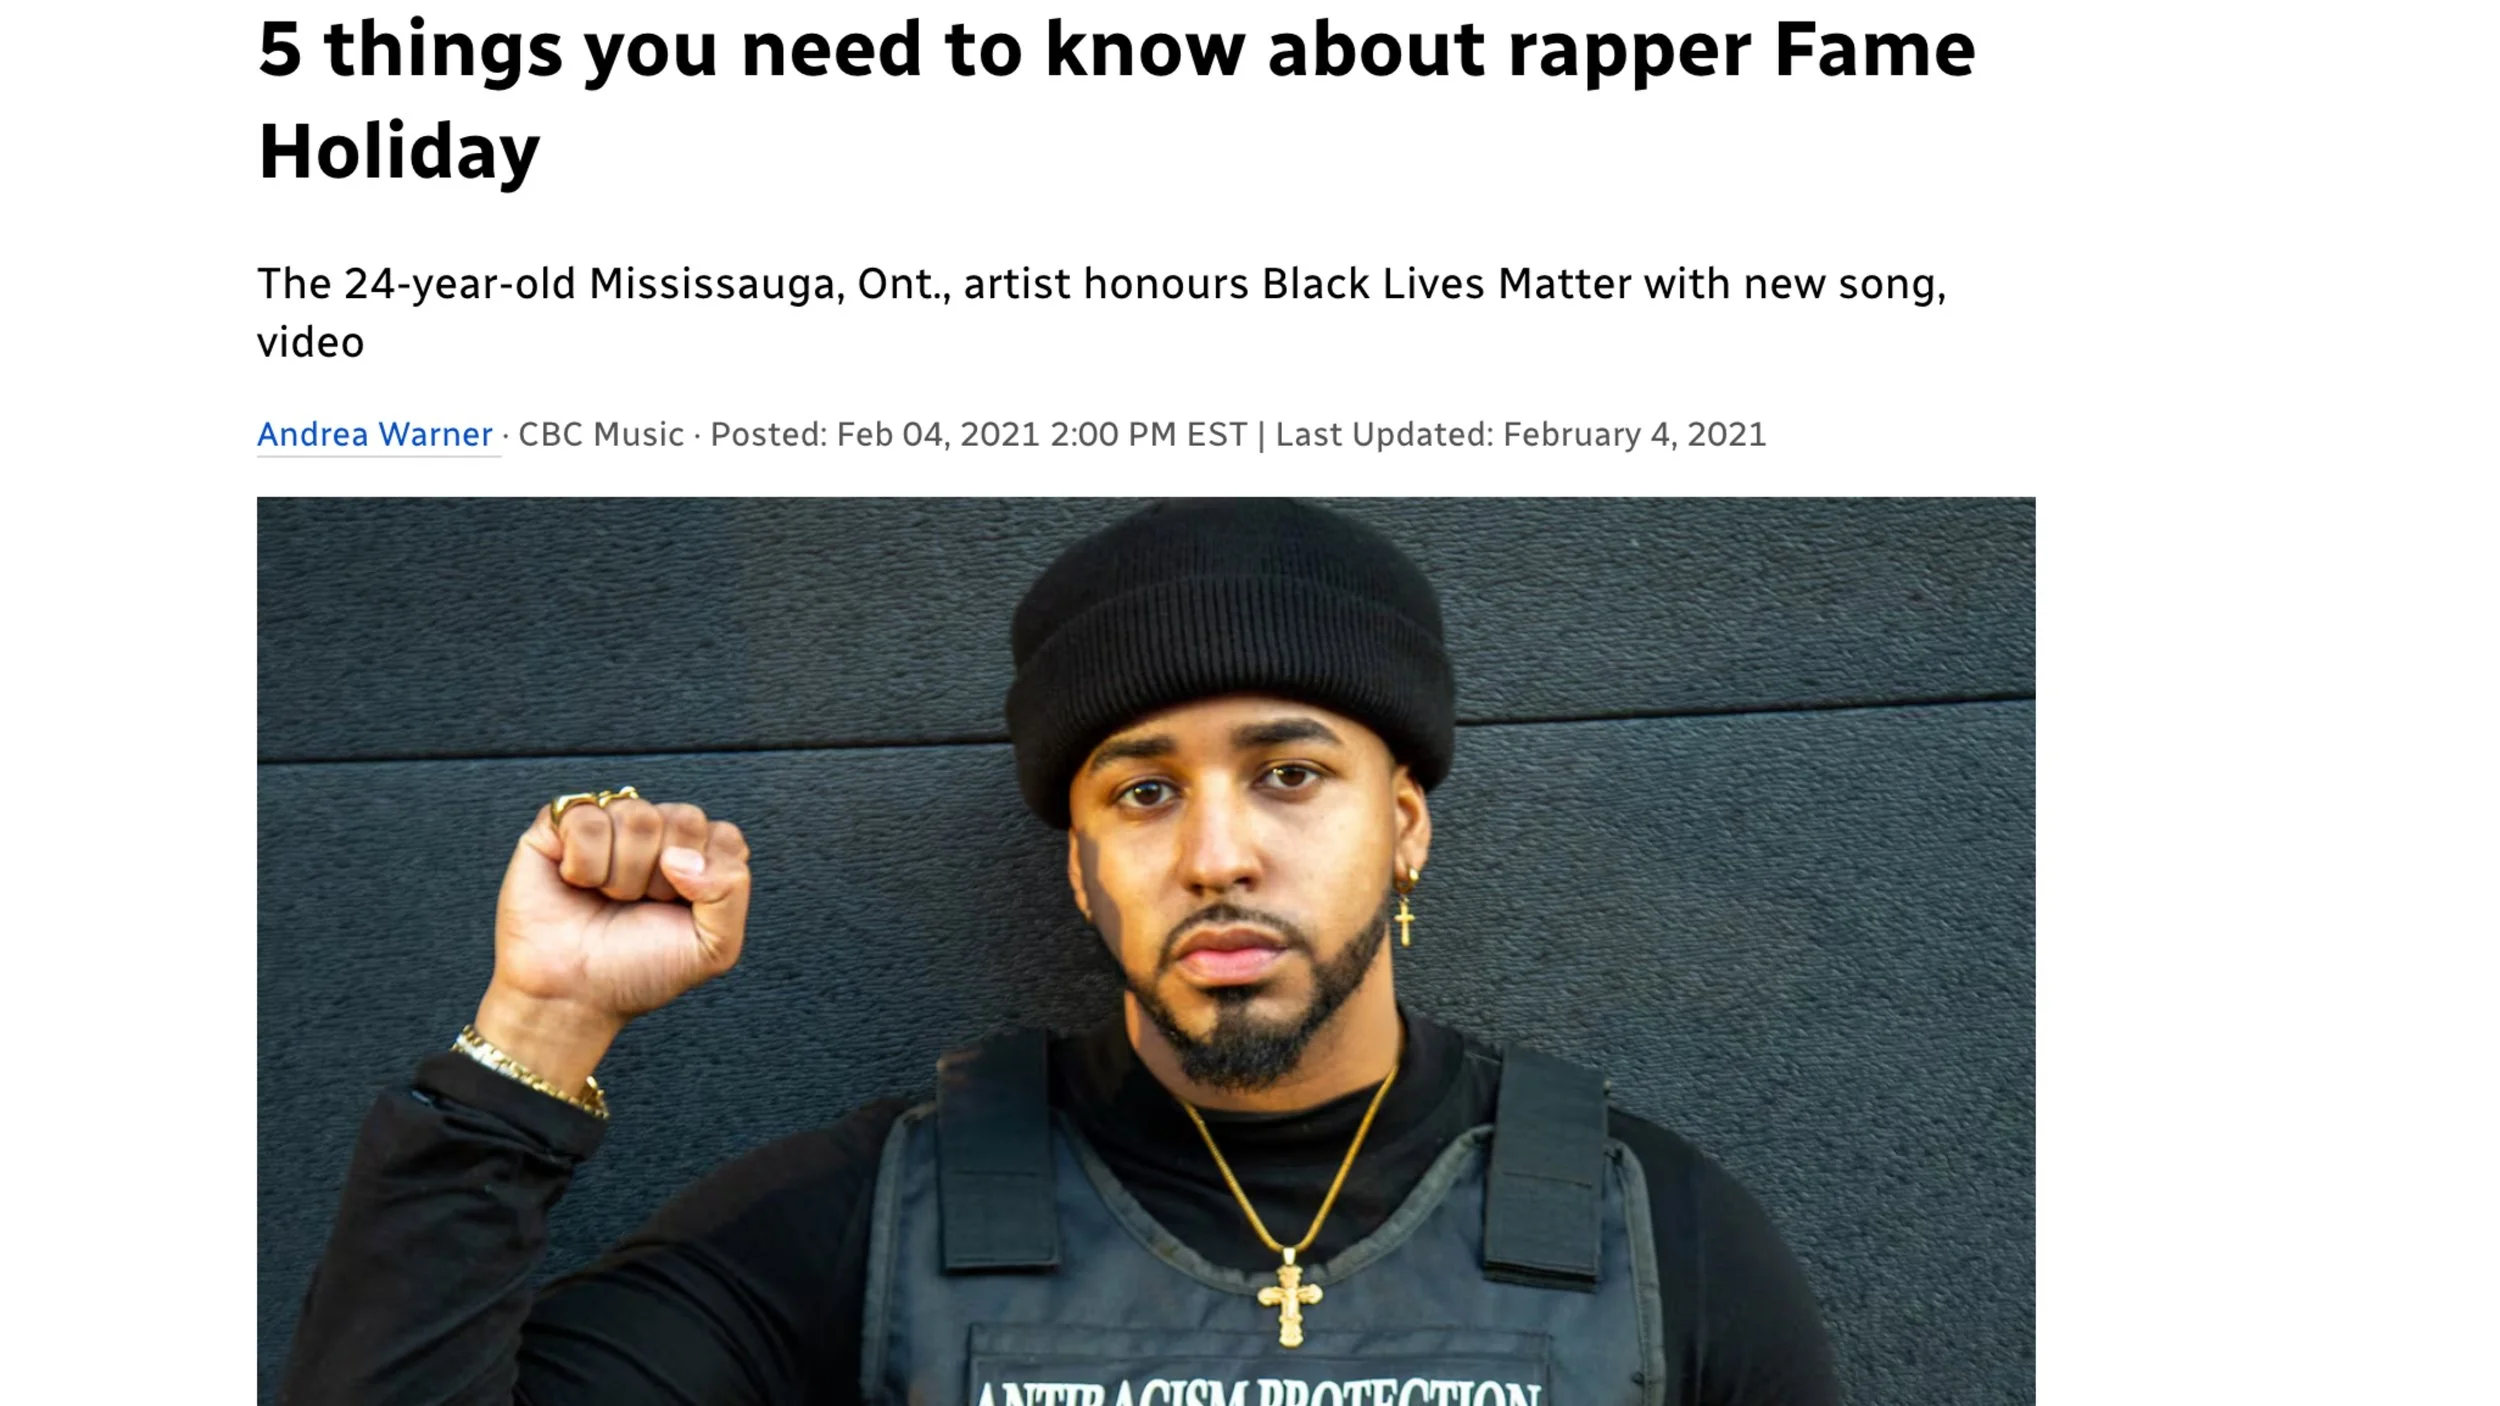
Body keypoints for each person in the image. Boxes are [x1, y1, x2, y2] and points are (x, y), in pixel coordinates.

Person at [280, 499, 1840, 1405]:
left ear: (1406, 822)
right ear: (1083, 862)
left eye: (1290, 773)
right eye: (1144, 789)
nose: (1218, 849)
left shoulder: (1658, 1241)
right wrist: (538, 1030)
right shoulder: (870, 1226)